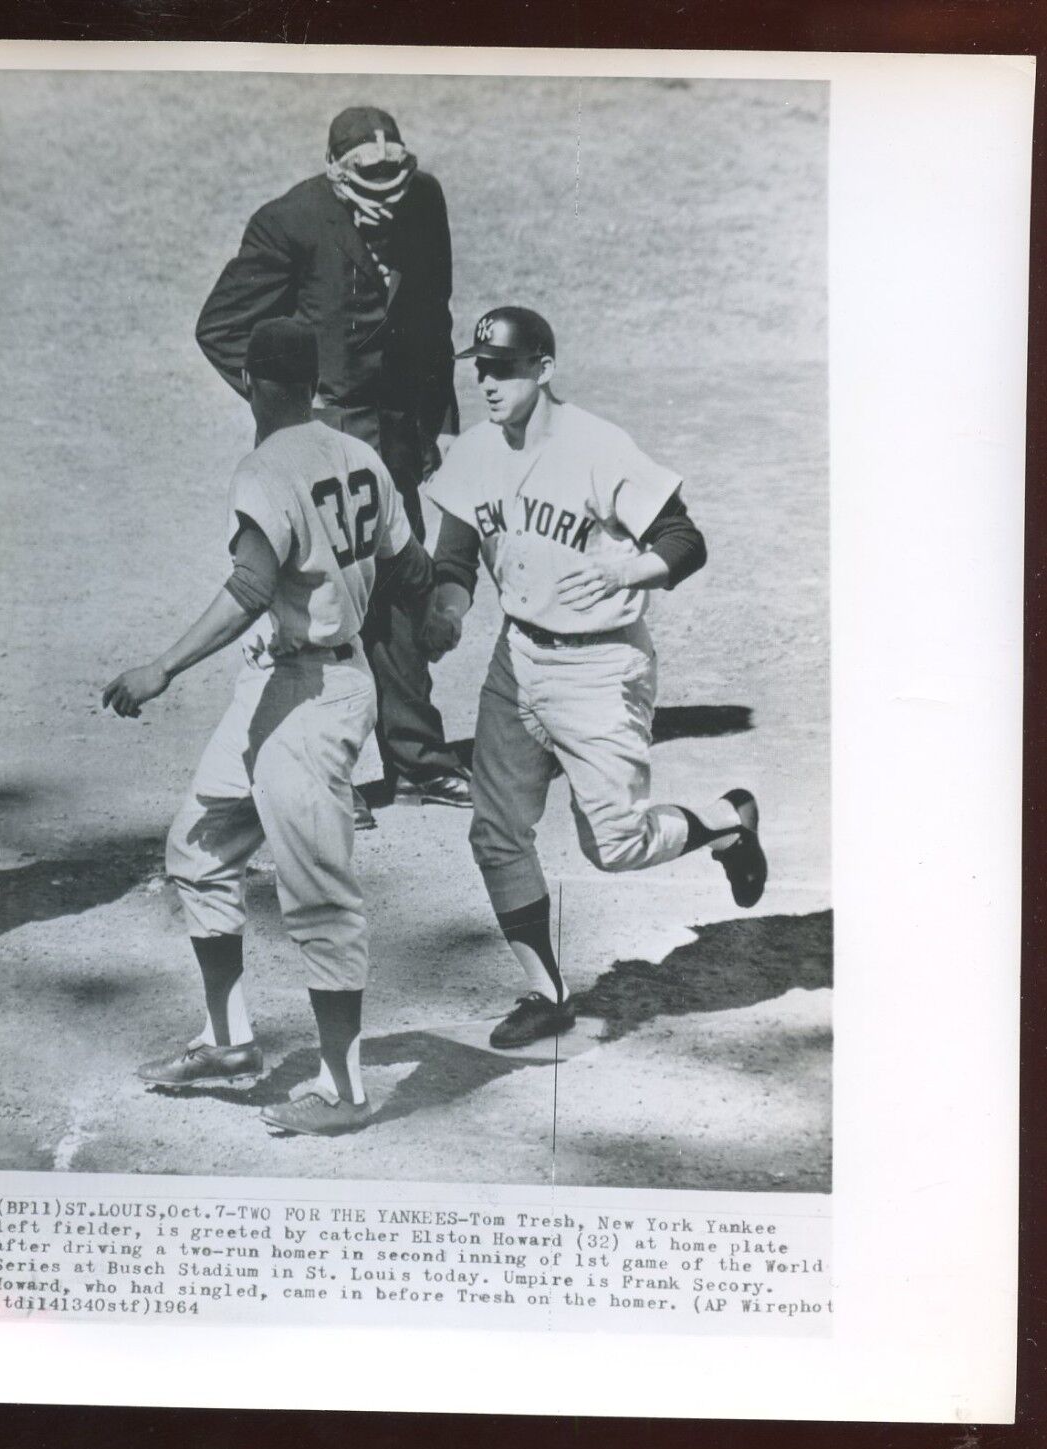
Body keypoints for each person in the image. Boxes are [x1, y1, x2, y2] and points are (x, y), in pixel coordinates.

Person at [102, 319, 437, 1135]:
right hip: (294, 683)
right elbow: (411, 569)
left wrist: (162, 668)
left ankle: (346, 1089)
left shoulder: (265, 467)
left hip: (311, 702)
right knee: (199, 845)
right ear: (313, 382)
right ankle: (227, 1039)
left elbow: (251, 585)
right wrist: (436, 621)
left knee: (318, 894)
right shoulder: (360, 455)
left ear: (250, 383)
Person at [420, 306, 768, 1050]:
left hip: (601, 666)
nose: (487, 380)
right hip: (516, 664)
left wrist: (628, 567)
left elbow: (684, 539)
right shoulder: (478, 450)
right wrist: (447, 609)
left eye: (504, 368)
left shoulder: (596, 447)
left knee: (613, 846)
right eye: (478, 367)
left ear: (542, 370)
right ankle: (546, 994)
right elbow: (455, 548)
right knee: (496, 834)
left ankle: (728, 819)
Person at [196, 105, 470, 827]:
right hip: (323, 436)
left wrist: (434, 419)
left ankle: (419, 763)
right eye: (368, 174)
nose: (387, 187)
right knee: (321, 604)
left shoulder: (426, 202)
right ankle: (327, 772)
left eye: (396, 171)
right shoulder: (288, 222)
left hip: (391, 435)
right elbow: (221, 327)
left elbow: (433, 310)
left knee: (403, 594)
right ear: (335, 172)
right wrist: (291, 409)